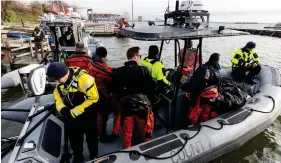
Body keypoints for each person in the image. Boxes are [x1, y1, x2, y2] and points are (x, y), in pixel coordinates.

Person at [47, 62, 99, 162]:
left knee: (91, 136)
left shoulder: (85, 79)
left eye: (57, 79)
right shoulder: (60, 81)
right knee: (75, 139)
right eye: (55, 79)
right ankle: (78, 156)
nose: (56, 81)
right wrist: (62, 109)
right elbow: (57, 96)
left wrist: (75, 112)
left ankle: (94, 155)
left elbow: (94, 98)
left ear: (64, 74)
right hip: (71, 114)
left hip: (88, 112)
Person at [65, 45, 117, 142]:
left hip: (86, 92)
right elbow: (109, 74)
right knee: (102, 115)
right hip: (99, 93)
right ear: (103, 56)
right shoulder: (98, 66)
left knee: (95, 115)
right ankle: (102, 136)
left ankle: (97, 132)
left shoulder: (90, 62)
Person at [112, 47, 156, 149]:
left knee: (127, 133)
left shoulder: (117, 72)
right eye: (140, 56)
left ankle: (127, 150)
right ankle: (147, 148)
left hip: (126, 106)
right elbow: (152, 88)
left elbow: (115, 90)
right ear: (135, 56)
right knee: (146, 130)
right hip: (142, 106)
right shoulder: (144, 70)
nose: (140, 58)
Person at [181, 53, 221, 125]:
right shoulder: (217, 72)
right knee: (205, 112)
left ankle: (186, 123)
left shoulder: (203, 68)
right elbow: (218, 87)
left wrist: (183, 87)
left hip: (199, 98)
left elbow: (193, 83)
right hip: (211, 99)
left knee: (185, 99)